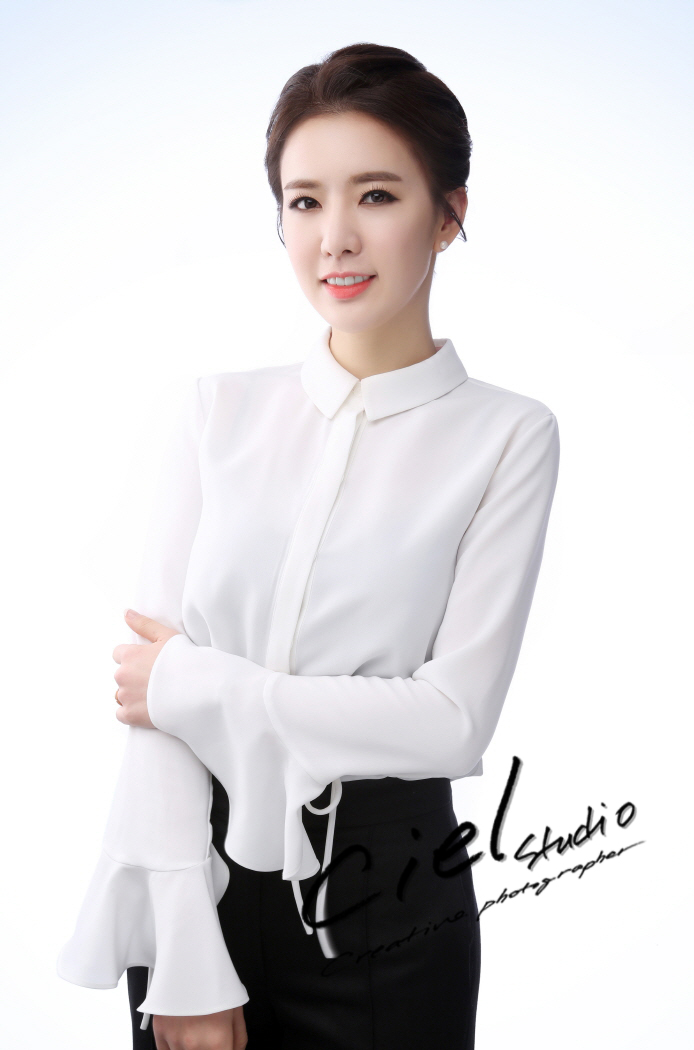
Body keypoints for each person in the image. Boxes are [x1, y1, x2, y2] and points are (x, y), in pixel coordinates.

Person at [57, 42, 560, 1050]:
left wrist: (203, 684)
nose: (335, 238)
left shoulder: (509, 436)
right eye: (303, 201)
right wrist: (185, 958)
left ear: (448, 213)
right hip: (196, 884)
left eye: (376, 195)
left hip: (391, 905)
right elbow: (152, 713)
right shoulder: (215, 412)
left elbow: (451, 723)